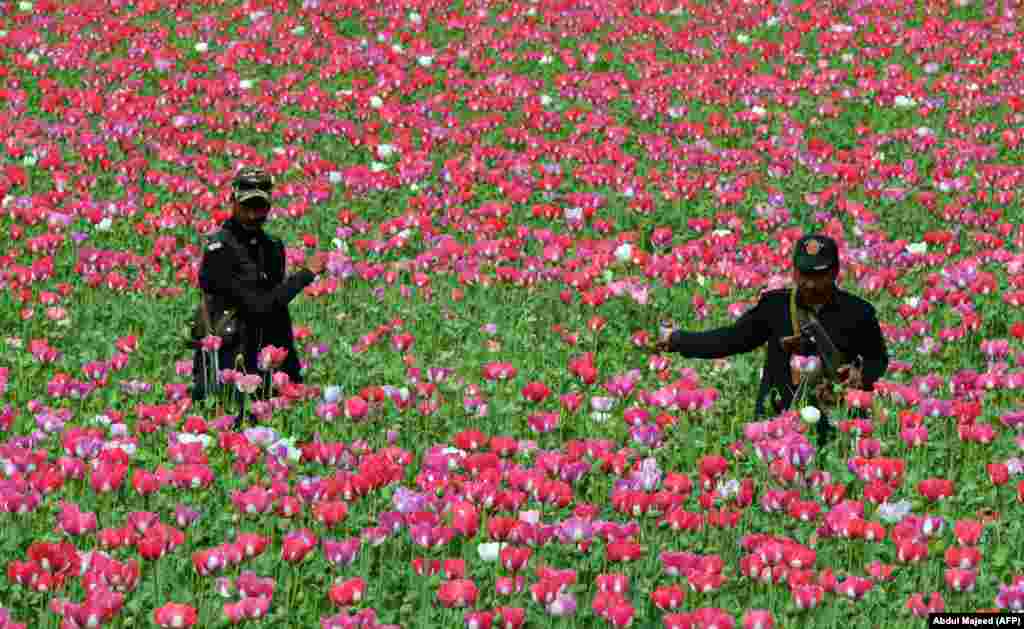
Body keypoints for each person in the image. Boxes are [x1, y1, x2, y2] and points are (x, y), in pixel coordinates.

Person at [651, 234, 888, 419]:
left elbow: (878, 360)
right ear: (794, 271)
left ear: (835, 272)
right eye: (802, 274)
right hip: (778, 418)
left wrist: (862, 375)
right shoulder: (775, 306)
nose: (809, 283)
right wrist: (678, 340)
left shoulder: (859, 313)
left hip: (834, 417)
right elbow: (731, 339)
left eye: (818, 276)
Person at [190, 166, 326, 404]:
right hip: (229, 367)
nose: (253, 215)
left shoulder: (272, 247)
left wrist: (292, 374)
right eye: (247, 207)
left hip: (267, 364)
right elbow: (258, 306)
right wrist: (305, 275)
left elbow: (277, 315)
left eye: (260, 207)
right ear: (232, 201)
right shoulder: (219, 251)